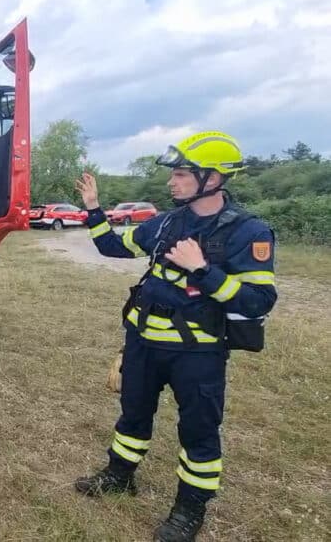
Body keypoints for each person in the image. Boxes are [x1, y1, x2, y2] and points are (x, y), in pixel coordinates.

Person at [72, 131, 278, 541]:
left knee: (199, 431)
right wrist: (94, 209)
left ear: (214, 178)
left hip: (198, 352)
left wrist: (202, 269)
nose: (173, 181)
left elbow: (258, 301)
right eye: (175, 174)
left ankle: (189, 510)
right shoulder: (166, 222)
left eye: (183, 173)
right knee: (133, 413)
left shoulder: (249, 231)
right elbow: (113, 247)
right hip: (144, 341)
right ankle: (119, 476)